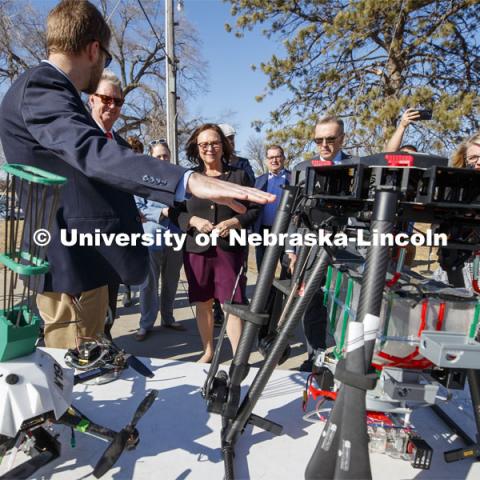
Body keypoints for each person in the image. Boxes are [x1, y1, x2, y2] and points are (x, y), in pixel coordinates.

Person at [0, 0, 274, 349]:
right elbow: (92, 153)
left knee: (90, 359)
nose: (101, 69)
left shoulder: (48, 89)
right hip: (71, 262)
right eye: (106, 61)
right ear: (93, 49)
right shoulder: (42, 88)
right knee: (74, 366)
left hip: (87, 258)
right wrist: (185, 180)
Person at [170, 124, 259, 363]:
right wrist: (193, 220)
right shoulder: (188, 178)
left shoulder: (239, 176)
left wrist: (233, 222)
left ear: (224, 145)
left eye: (215, 142)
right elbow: (175, 213)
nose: (210, 148)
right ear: (196, 148)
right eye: (204, 144)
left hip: (230, 249)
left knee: (231, 303)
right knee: (203, 302)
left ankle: (240, 357)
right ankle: (208, 351)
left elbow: (254, 210)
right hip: (196, 250)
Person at [288, 115, 357, 371]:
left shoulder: (357, 168)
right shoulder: (302, 168)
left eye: (330, 139)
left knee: (343, 304)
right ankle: (314, 358)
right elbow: (293, 214)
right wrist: (291, 249)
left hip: (346, 249)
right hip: (309, 248)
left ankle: (341, 361)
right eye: (319, 139)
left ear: (342, 139)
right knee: (310, 303)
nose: (324, 144)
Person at [87, 69, 127, 334]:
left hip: (114, 246)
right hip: (82, 246)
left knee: (107, 318)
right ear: (92, 99)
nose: (112, 106)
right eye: (106, 99)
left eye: (118, 101)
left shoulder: (122, 145)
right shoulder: (78, 136)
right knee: (81, 327)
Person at [135, 140, 186, 341]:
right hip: (152, 236)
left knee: (171, 280)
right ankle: (145, 324)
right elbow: (139, 208)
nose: (163, 159)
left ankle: (168, 317)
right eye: (159, 156)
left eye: (166, 155)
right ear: (151, 157)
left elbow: (184, 204)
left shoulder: (178, 178)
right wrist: (162, 212)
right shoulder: (141, 179)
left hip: (175, 236)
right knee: (148, 284)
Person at [254, 145, 290, 269]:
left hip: (286, 231)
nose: (274, 160)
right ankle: (267, 289)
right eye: (271, 157)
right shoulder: (258, 181)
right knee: (263, 268)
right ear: (266, 160)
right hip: (263, 230)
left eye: (278, 156)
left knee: (287, 268)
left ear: (283, 158)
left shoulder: (293, 179)